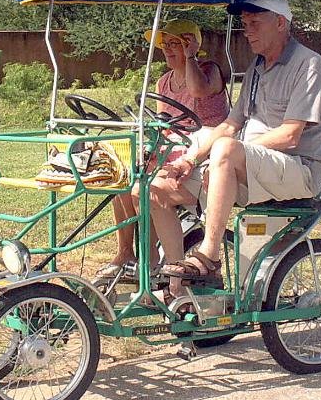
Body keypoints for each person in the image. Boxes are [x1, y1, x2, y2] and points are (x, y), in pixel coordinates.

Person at [149, 0, 321, 298]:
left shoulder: (309, 64)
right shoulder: (257, 69)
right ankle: (179, 285)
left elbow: (290, 136)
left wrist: (235, 149)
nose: (248, 31)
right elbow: (228, 126)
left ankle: (209, 254)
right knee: (156, 188)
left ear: (280, 23)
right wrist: (188, 161)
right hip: (248, 166)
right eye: (245, 24)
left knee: (227, 149)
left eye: (255, 23)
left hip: (297, 169)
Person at [94, 19, 229, 281]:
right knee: (121, 181)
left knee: (142, 190)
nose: (168, 50)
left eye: (176, 44)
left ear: (192, 45)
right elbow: (162, 125)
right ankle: (126, 253)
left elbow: (197, 90)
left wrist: (190, 57)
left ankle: (153, 263)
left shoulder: (209, 71)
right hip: (173, 147)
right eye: (165, 44)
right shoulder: (164, 82)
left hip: (205, 147)